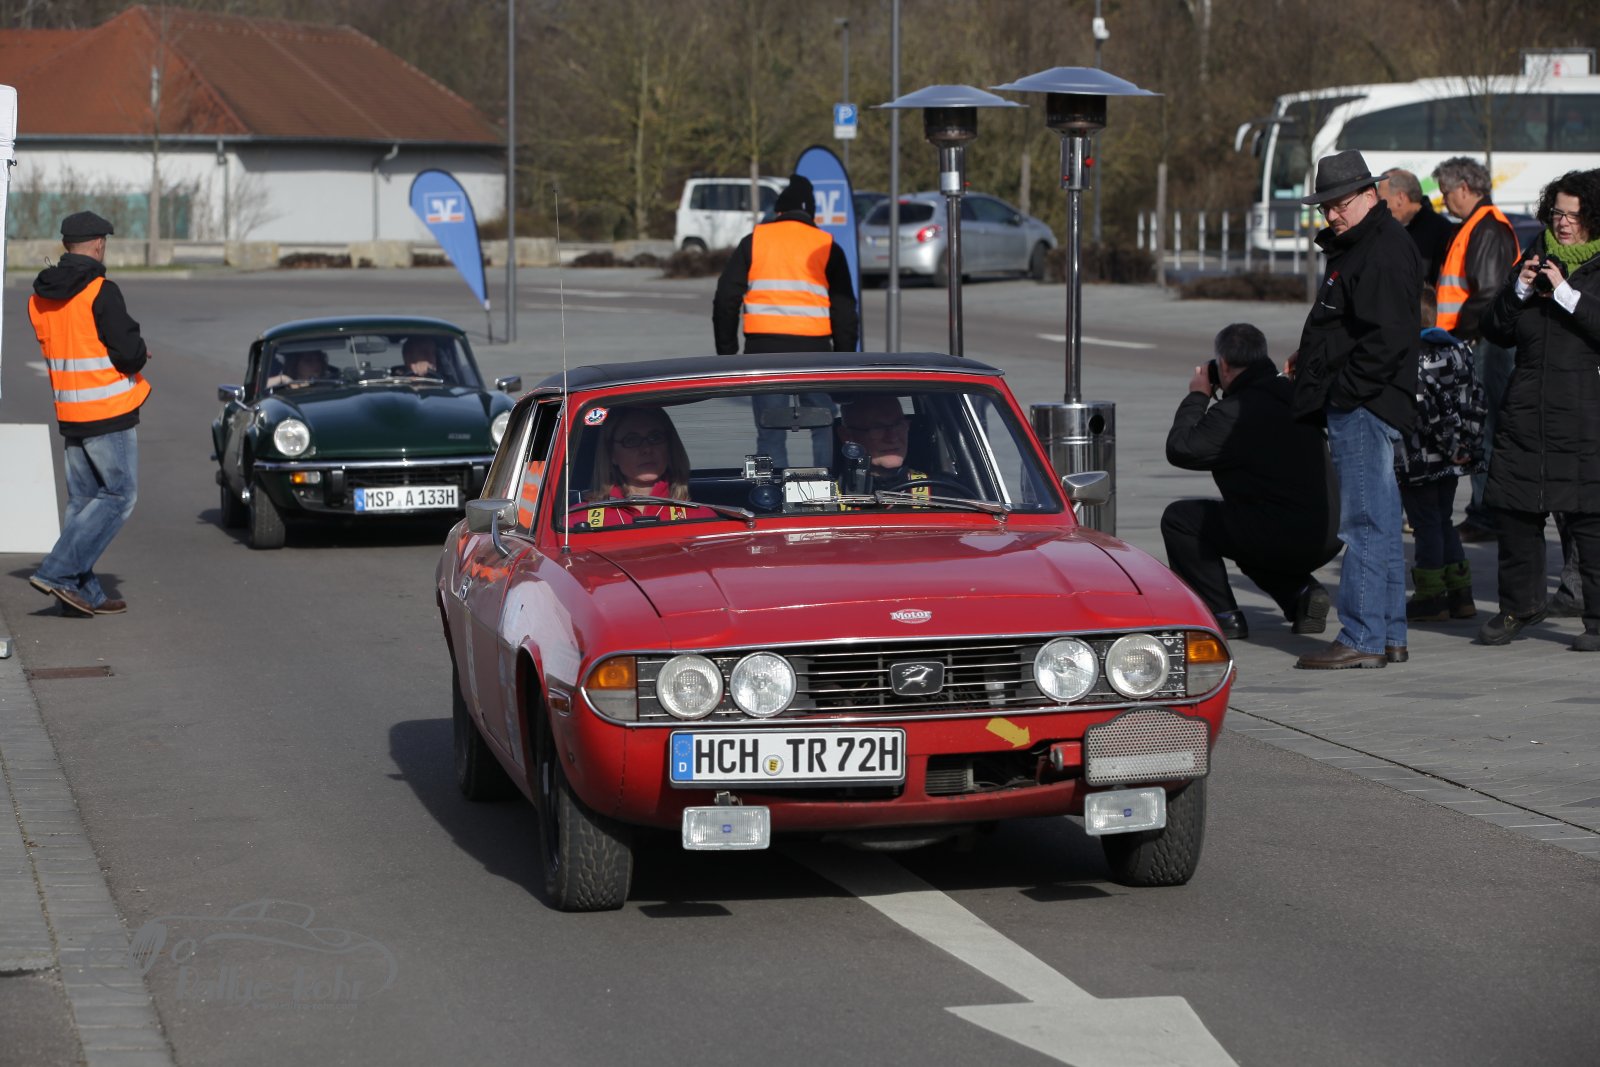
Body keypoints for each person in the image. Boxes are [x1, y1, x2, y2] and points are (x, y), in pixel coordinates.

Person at [1288, 150, 1420, 669]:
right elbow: (1351, 326)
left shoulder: (1379, 249)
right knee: (1379, 524)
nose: (1331, 215)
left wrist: (1344, 393)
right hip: (1368, 400)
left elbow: (1387, 339)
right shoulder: (1369, 243)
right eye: (1325, 207)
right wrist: (1313, 359)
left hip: (1365, 405)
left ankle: (1363, 636)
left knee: (1364, 524)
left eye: (1339, 204)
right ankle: (1389, 635)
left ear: (1370, 195)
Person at [1475, 169, 1600, 651]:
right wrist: (1519, 291)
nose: (1563, 223)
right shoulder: (1533, 257)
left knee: (1589, 517)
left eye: (1573, 215)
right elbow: (1494, 329)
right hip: (1526, 407)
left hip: (1584, 410)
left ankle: (1597, 620)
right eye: (1557, 213)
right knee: (1515, 511)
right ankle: (1520, 606)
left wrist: (1566, 294)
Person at [1162, 324, 1340, 641]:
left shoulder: (1235, 412)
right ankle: (1301, 594)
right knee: (1245, 528)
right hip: (1330, 532)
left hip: (1290, 534)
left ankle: (1222, 615)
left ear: (1224, 366)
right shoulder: (1291, 394)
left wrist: (1198, 396)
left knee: (1181, 520)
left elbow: (1181, 448)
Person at [26, 211, 150, 618]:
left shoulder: (39, 297)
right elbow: (127, 354)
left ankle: (82, 593)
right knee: (119, 496)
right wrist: (139, 353)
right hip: (108, 411)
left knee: (82, 503)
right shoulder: (101, 290)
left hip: (71, 410)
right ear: (99, 244)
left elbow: (69, 344)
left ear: (66, 246)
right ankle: (58, 572)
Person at [712, 173, 859, 469]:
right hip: (816, 355)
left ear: (778, 211)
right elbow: (844, 311)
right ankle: (829, 485)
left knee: (769, 431)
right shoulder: (826, 245)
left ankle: (772, 490)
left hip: (764, 353)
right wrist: (843, 363)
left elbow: (726, 300)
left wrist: (728, 355)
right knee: (825, 425)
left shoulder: (754, 241)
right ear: (811, 214)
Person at [1431, 157, 1522, 543]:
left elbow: (1487, 294)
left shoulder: (1486, 227)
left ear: (1465, 188)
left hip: (1487, 342)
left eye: (1446, 192)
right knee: (1483, 427)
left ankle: (1487, 515)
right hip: (1481, 340)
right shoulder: (1478, 226)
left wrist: (1456, 333)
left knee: (1486, 428)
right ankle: (1487, 513)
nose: (1444, 200)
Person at [1395, 288, 1487, 622]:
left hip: (1420, 457)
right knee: (1443, 519)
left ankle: (1431, 595)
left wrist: (1449, 445)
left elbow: (1427, 411)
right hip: (1453, 458)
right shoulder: (1460, 350)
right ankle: (1461, 593)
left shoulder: (1414, 358)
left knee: (1426, 524)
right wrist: (1465, 446)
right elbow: (1476, 398)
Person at [581, 407, 713, 527]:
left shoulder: (702, 518)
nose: (646, 449)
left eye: (655, 437)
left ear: (669, 447)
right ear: (611, 454)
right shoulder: (579, 520)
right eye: (631, 440)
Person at [834, 394, 936, 498]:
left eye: (899, 425)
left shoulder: (939, 492)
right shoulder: (827, 496)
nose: (892, 437)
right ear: (846, 435)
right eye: (878, 428)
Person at [1379, 167, 1454, 286]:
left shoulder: (1441, 231)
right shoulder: (1385, 229)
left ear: (1400, 198)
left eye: (1380, 199)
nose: (1377, 205)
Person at [266, 349, 331, 388]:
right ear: (295, 365)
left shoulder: (331, 382)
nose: (315, 364)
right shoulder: (284, 386)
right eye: (308, 360)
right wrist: (282, 379)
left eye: (318, 360)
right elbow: (262, 387)